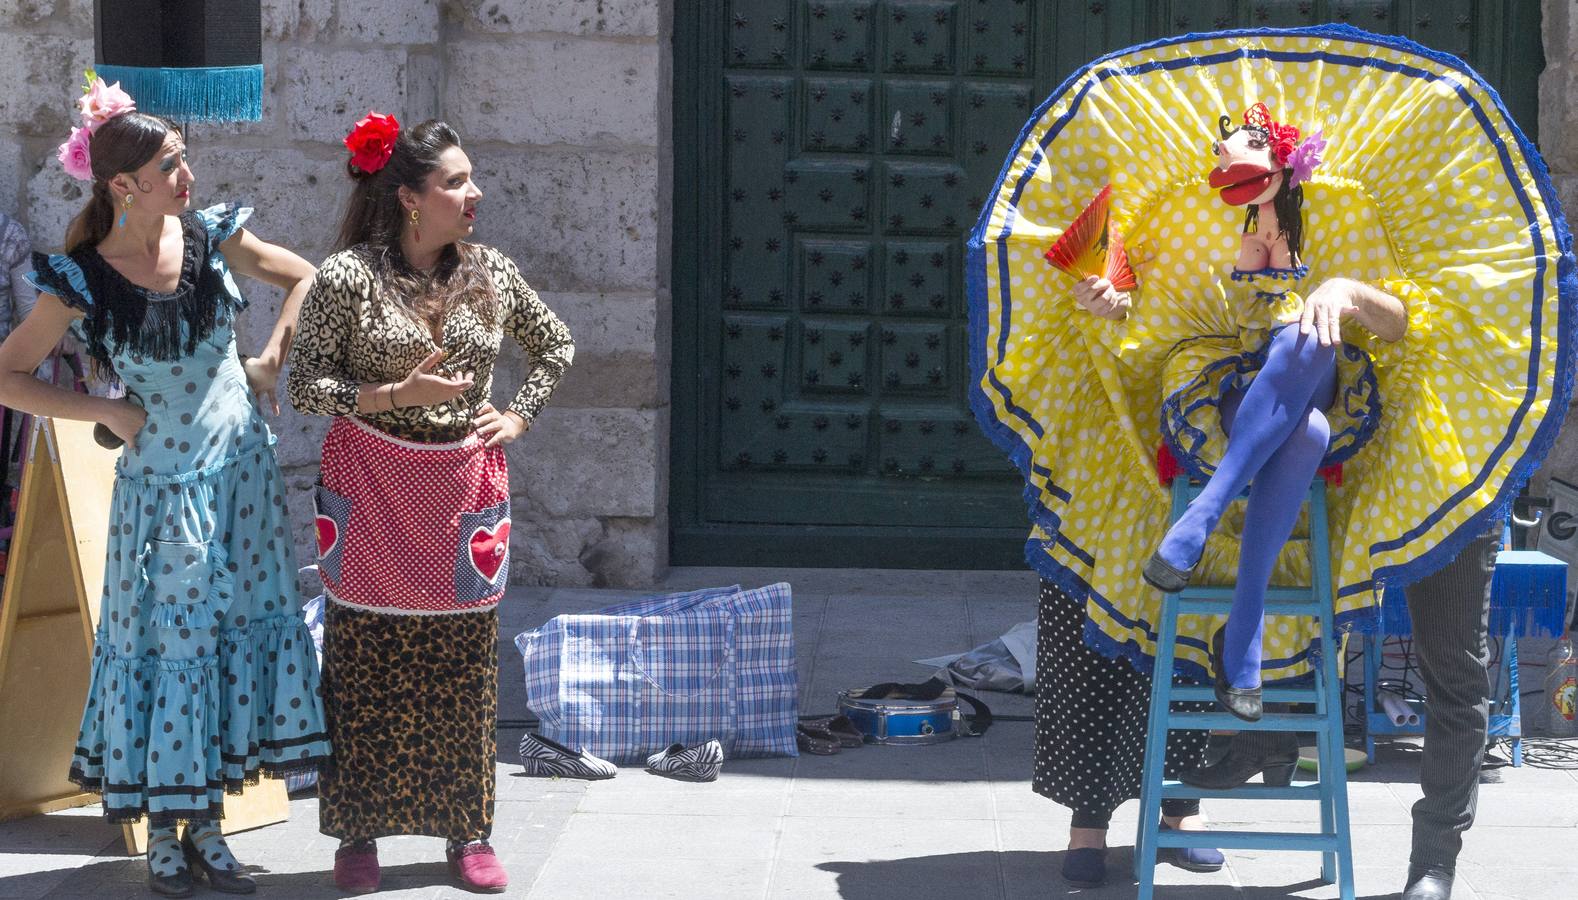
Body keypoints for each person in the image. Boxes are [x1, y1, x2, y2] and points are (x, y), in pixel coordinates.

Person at [966, 26, 1574, 898]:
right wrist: (1113, 301)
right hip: (1226, 406)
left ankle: (1212, 543)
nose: (1226, 164)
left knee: (1317, 393)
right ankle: (1220, 635)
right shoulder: (1201, 221)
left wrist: (1340, 292)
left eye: (1244, 152)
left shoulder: (1359, 216)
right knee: (1292, 407)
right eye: (1223, 155)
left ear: (1286, 161)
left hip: (1348, 416)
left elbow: (1404, 323)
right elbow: (1159, 324)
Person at [0, 77, 329, 897]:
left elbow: (305, 278)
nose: (188, 176)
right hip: (162, 493)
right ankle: (165, 839)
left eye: (184, 159)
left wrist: (268, 363)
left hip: (242, 479)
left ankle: (210, 829)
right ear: (123, 185)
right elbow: (9, 375)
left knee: (224, 644)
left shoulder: (215, 237)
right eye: (170, 164)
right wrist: (107, 412)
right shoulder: (82, 277)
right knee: (172, 651)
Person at [286, 113, 574, 895]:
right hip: (373, 489)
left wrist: (517, 414)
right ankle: (357, 835)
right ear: (411, 197)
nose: (474, 191)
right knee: (363, 661)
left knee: (462, 668)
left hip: (462, 491)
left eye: (470, 177)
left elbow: (556, 344)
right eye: (456, 180)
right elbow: (308, 385)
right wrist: (392, 394)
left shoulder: (491, 272)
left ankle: (467, 831)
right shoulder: (347, 278)